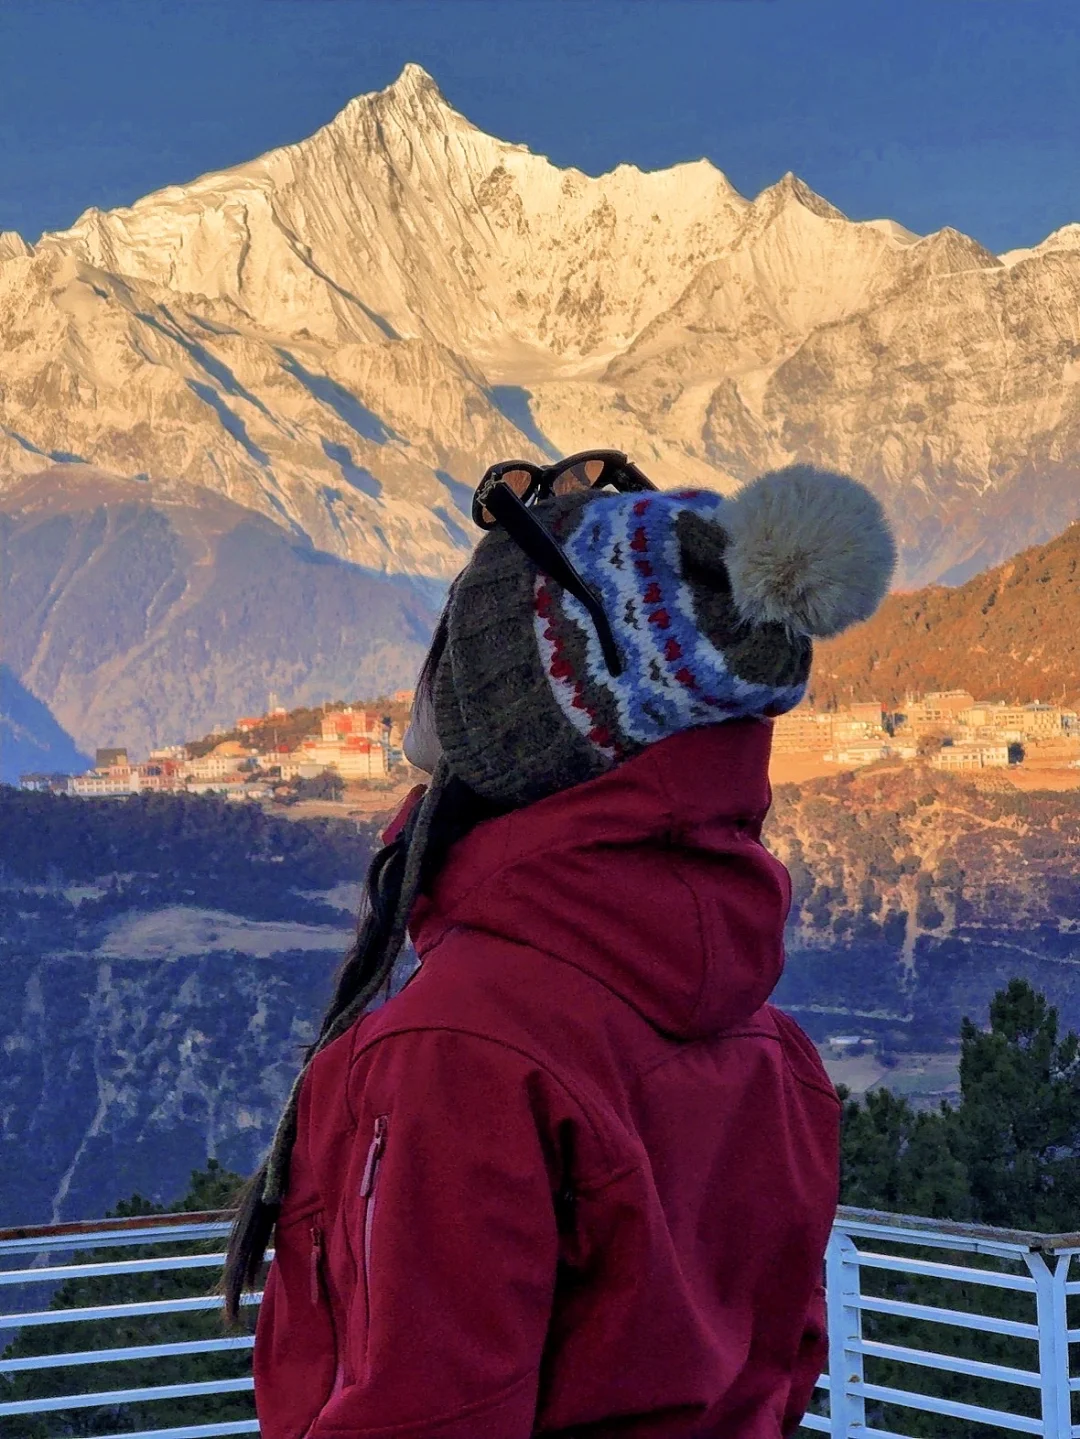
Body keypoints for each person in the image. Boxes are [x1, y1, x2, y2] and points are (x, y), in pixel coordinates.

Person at [217, 451, 896, 1438]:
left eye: (457, 638)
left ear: (523, 716)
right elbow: (780, 1369)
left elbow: (423, 1413)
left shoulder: (461, 1049)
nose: (428, 669)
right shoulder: (765, 1041)